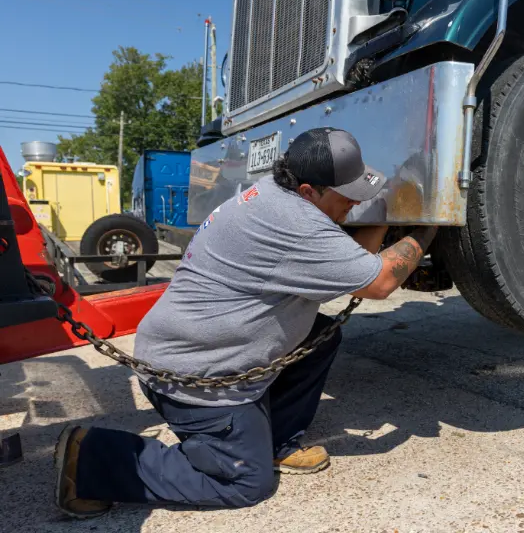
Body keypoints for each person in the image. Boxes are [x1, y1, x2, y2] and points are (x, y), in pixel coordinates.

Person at [54, 127, 438, 517]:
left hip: (192, 347)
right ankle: (92, 459)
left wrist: (383, 216)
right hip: (193, 375)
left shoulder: (275, 194)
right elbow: (381, 281)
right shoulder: (297, 224)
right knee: (243, 483)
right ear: (309, 191)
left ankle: (273, 443)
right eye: (347, 197)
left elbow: (356, 264)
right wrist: (432, 221)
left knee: (320, 336)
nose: (354, 206)